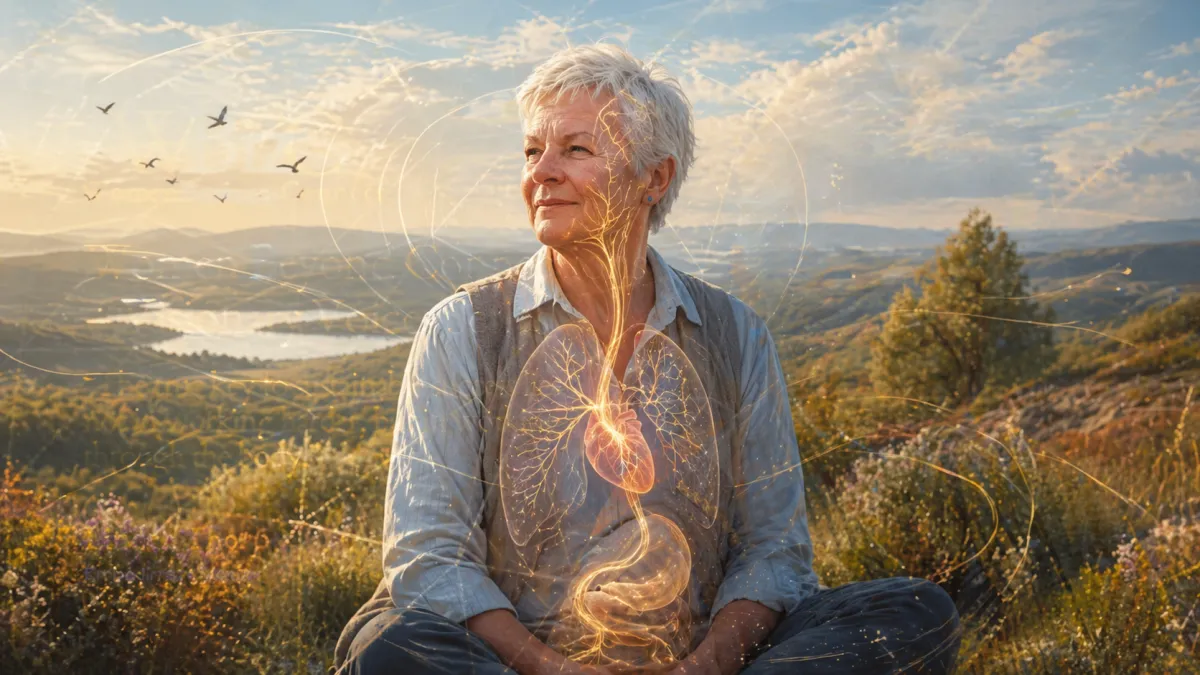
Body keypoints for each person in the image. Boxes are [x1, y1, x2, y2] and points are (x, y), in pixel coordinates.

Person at [335, 43, 961, 675]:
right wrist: (558, 670)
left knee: (915, 611)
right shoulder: (462, 330)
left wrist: (706, 664)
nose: (541, 171)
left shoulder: (737, 335)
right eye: (532, 151)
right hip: (515, 659)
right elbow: (430, 557)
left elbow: (774, 552)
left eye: (576, 149)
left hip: (698, 655)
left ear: (653, 177)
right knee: (392, 647)